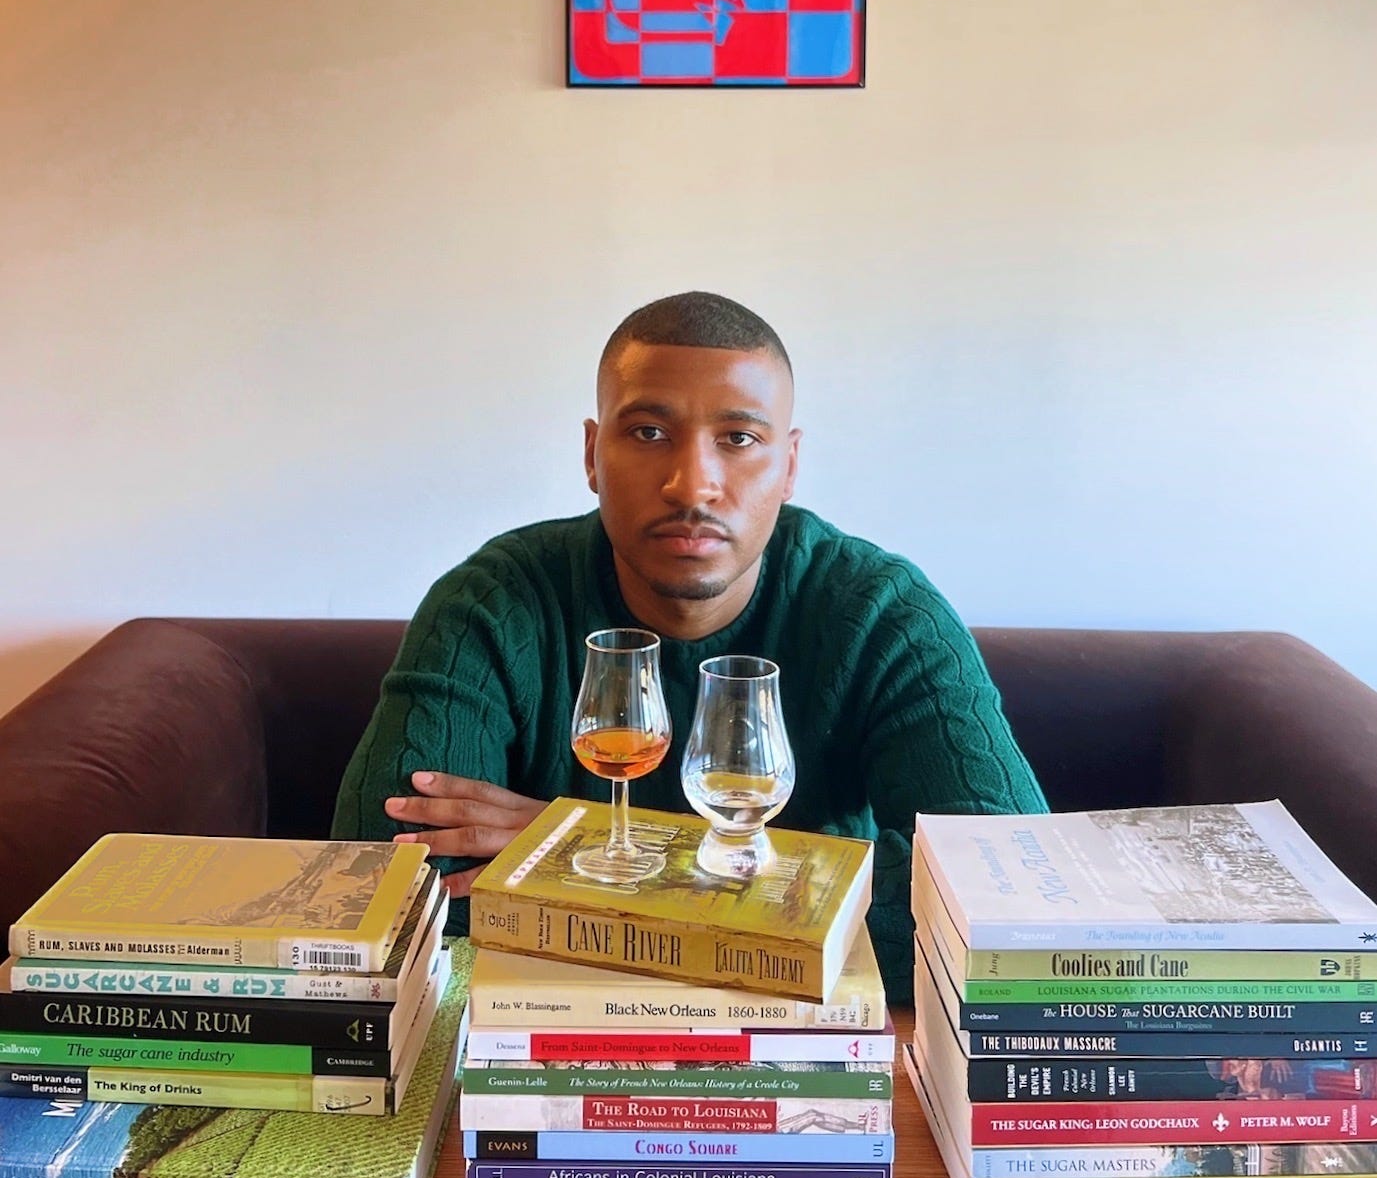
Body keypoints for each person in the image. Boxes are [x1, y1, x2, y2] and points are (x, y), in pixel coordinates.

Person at [331, 291, 1047, 1002]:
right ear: (592, 453)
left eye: (738, 439)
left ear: (789, 465)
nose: (692, 485)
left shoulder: (882, 613)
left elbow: (1007, 908)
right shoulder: (492, 603)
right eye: (648, 433)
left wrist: (582, 849)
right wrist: (774, 911)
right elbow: (382, 895)